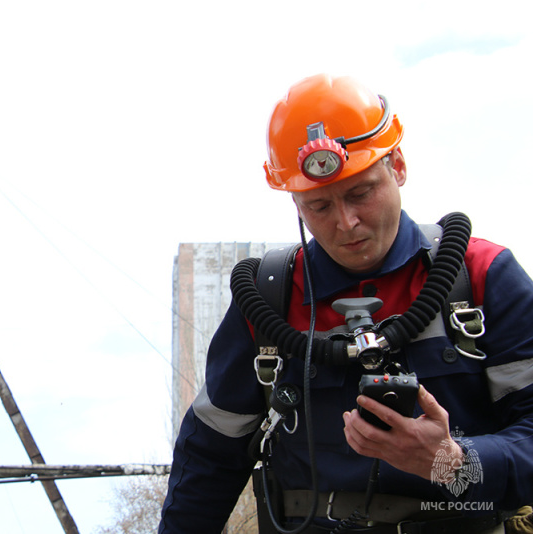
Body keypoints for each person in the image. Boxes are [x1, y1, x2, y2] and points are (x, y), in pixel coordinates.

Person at [158, 74, 533, 533]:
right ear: (295, 203)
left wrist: (454, 462)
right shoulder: (269, 300)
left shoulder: (481, 277)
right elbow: (209, 458)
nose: (346, 222)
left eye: (361, 192)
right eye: (319, 206)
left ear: (397, 165)